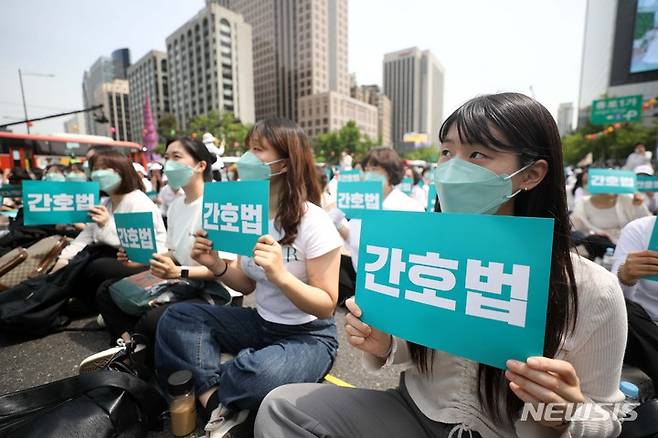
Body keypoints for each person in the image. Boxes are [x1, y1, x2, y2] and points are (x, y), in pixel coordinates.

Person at [255, 93, 628, 438]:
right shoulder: (422, 254)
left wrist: (568, 413)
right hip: (411, 414)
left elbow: (608, 418)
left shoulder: (592, 289)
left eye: (478, 155)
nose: (451, 169)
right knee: (281, 407)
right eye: (447, 153)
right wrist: (383, 341)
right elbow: (411, 347)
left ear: (531, 174)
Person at [155, 118, 342, 436]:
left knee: (255, 372)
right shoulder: (248, 214)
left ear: (286, 161)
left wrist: (282, 275)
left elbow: (326, 305)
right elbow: (247, 283)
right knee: (177, 318)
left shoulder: (314, 221)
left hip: (308, 336)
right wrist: (216, 265)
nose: (246, 158)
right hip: (261, 323)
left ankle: (214, 384)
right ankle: (215, 401)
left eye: (258, 150)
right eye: (248, 148)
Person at [81, 137, 235, 371]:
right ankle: (130, 346)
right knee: (107, 291)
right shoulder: (176, 205)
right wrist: (140, 260)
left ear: (200, 166)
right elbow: (171, 254)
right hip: (180, 280)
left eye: (176, 157)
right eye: (166, 157)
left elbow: (224, 268)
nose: (168, 164)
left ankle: (136, 353)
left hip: (213, 289)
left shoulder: (220, 204)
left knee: (152, 320)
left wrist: (178, 271)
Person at [52, 150, 167, 310]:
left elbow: (138, 248)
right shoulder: (106, 202)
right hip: (119, 258)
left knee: (96, 265)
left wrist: (106, 224)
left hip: (144, 262)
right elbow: (86, 236)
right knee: (80, 261)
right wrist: (64, 258)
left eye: (104, 169)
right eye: (95, 169)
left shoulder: (137, 201)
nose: (98, 174)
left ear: (122, 171)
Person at [612, 216, 658, 387]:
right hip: (643, 326)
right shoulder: (639, 229)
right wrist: (626, 275)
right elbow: (611, 294)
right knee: (622, 311)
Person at [571, 190, 650, 259]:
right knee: (593, 239)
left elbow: (646, 223)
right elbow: (577, 227)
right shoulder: (583, 203)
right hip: (597, 243)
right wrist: (597, 233)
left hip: (625, 242)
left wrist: (639, 206)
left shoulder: (628, 199)